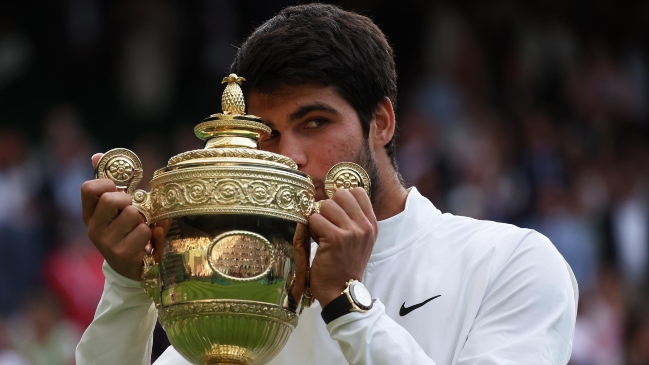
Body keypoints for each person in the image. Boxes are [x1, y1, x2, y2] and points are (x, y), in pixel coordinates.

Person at [76, 3, 578, 364]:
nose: (288, 156)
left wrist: (345, 302)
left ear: (381, 123)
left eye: (314, 122)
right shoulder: (243, 279)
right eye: (265, 135)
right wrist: (127, 283)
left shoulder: (511, 262)